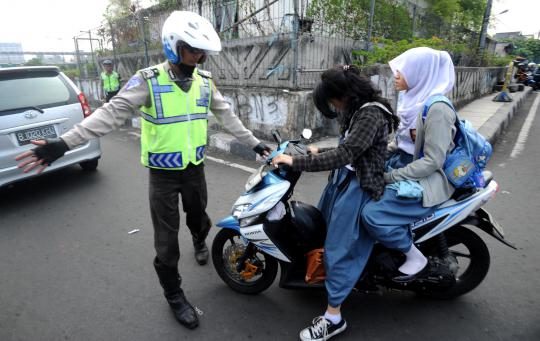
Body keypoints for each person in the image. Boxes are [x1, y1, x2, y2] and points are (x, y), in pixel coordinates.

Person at [15, 11, 270, 330]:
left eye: (202, 51)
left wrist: (255, 144)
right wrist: (63, 144)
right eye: (193, 49)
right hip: (162, 176)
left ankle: (199, 239)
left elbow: (228, 116)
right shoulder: (148, 80)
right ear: (174, 46)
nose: (199, 57)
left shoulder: (204, 83)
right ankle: (174, 294)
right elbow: (109, 113)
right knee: (166, 241)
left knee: (199, 217)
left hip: (194, 169)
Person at [271, 65, 405, 341]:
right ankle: (335, 281)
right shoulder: (359, 110)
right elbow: (352, 148)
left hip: (358, 189)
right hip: (342, 183)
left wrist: (296, 161)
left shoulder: (371, 113)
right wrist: (320, 149)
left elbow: (346, 154)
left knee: (338, 249)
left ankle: (333, 318)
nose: (333, 106)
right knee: (322, 232)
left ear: (345, 94)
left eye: (332, 100)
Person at [362, 47, 457, 283]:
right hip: (404, 164)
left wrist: (391, 177)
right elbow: (401, 143)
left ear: (420, 73)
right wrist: (375, 155)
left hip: (425, 177)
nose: (395, 76)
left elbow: (433, 161)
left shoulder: (437, 109)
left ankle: (415, 257)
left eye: (401, 71)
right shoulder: (411, 99)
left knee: (372, 215)